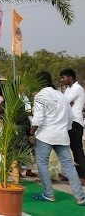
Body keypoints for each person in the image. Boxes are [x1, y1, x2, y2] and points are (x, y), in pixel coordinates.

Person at [30, 71, 85, 204]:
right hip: (61, 135)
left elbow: (37, 118)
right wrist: (64, 129)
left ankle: (49, 194)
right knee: (69, 165)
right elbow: (70, 117)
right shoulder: (61, 95)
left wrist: (31, 133)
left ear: (38, 83)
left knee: (42, 164)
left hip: (45, 135)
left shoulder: (40, 96)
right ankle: (80, 197)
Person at [60, 68, 85, 180]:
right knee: (72, 148)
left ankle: (83, 175)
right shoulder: (69, 89)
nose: (62, 80)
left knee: (77, 148)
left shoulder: (77, 88)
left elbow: (64, 101)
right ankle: (75, 173)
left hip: (76, 121)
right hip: (69, 121)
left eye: (63, 77)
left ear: (70, 77)